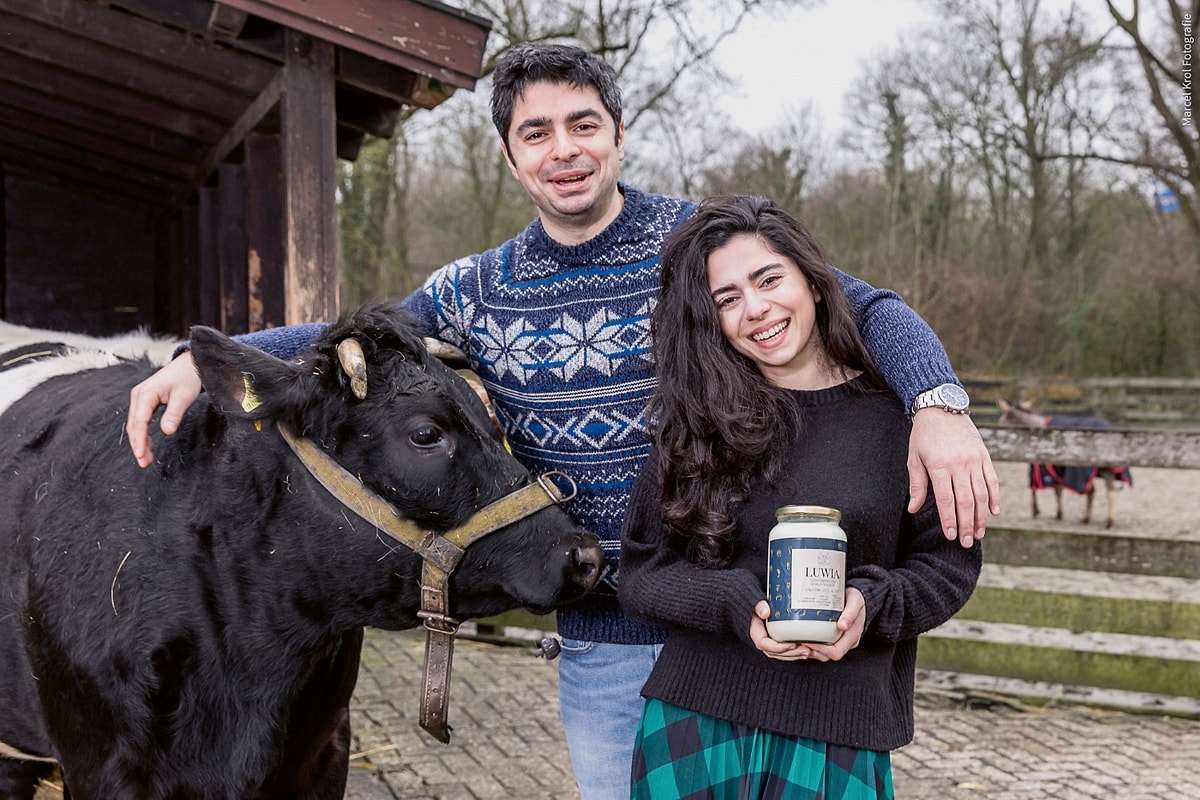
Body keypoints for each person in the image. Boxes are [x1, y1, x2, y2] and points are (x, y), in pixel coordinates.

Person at [124, 44, 998, 800]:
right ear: (510, 157)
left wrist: (937, 401)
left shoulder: (696, 247)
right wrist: (199, 362)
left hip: (748, 623)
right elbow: (352, 337)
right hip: (608, 640)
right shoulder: (480, 289)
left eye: (583, 124)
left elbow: (860, 303)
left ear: (618, 133)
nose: (564, 150)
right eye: (535, 133)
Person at [618, 195, 983, 799]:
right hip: (695, 722)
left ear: (814, 282)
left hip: (841, 731)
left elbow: (949, 567)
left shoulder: (904, 419)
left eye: (769, 280)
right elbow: (642, 575)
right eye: (727, 300)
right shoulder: (695, 422)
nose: (756, 309)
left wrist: (873, 603)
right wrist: (734, 602)